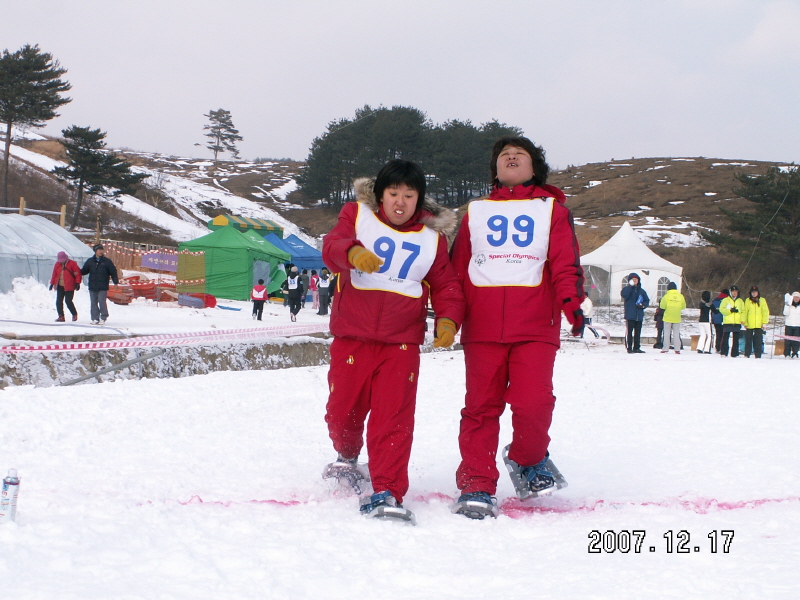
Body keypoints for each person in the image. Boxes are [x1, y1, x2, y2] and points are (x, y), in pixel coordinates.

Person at [321, 159, 464, 523]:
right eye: (394, 193)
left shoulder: (432, 239)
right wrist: (352, 253)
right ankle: (348, 454)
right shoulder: (356, 216)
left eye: (409, 195)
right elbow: (333, 244)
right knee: (342, 413)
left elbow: (446, 285)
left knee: (394, 418)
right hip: (352, 336)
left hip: (401, 344)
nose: (400, 202)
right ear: (380, 196)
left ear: (419, 200)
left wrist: (448, 320)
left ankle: (387, 490)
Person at [450, 136, 584, 520]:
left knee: (533, 402)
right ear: (495, 170)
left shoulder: (553, 211)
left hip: (535, 326)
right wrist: (448, 316)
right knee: (480, 408)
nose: (510, 157)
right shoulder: (475, 212)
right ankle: (476, 482)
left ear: (534, 167)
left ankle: (528, 458)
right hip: (483, 326)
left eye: (519, 154)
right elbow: (457, 270)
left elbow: (564, 262)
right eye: (503, 155)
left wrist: (572, 306)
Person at [80, 244, 119, 325]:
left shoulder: (107, 261)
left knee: (102, 302)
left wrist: (115, 282)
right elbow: (84, 271)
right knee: (93, 302)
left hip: (103, 286)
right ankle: (95, 318)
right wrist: (76, 271)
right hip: (93, 285)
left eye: (102, 249)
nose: (101, 251)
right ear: (95, 251)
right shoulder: (90, 261)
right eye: (99, 250)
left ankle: (103, 317)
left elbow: (113, 271)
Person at [49, 251, 82, 322]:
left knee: (68, 301)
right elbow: (54, 274)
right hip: (60, 285)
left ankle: (74, 314)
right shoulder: (57, 265)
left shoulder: (72, 264)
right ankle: (61, 316)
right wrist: (52, 283)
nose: (61, 262)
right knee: (59, 301)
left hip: (69, 286)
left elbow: (77, 274)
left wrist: (77, 283)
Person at [621, 273, 650, 354]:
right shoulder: (627, 289)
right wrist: (630, 287)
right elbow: (624, 295)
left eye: (636, 280)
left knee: (638, 332)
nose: (635, 281)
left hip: (639, 315)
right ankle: (629, 347)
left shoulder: (642, 291)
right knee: (629, 332)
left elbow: (646, 300)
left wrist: (643, 305)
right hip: (630, 315)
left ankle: (636, 347)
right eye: (633, 280)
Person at [742, 285, 769, 358]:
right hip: (750, 324)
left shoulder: (762, 300)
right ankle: (747, 354)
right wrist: (745, 322)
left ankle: (758, 355)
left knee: (758, 341)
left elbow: (765, 312)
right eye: (752, 292)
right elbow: (745, 312)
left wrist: (764, 323)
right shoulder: (747, 300)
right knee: (748, 341)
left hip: (759, 325)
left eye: (755, 292)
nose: (754, 294)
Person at [659, 282, 686, 354]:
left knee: (667, 333)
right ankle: (677, 349)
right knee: (676, 333)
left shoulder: (666, 296)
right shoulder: (681, 296)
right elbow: (683, 306)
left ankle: (665, 348)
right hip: (677, 317)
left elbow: (662, 306)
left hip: (667, 317)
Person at [719, 285, 744, 357]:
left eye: (736, 291)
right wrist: (730, 311)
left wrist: (742, 319)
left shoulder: (740, 301)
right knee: (725, 338)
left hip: (736, 322)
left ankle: (735, 353)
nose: (734, 293)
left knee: (736, 339)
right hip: (728, 321)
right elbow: (722, 309)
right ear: (730, 292)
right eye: (733, 291)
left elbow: (743, 311)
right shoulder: (725, 300)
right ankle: (724, 352)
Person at [783, 292, 800, 358]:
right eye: (794, 297)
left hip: (798, 326)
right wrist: (787, 305)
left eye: (797, 297)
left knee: (796, 341)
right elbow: (785, 313)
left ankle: (795, 353)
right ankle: (787, 354)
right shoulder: (789, 305)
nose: (796, 299)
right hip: (789, 325)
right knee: (788, 341)